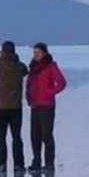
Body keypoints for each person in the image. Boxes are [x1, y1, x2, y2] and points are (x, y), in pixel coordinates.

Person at [0, 41, 28, 173]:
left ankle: (1, 164)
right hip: (16, 107)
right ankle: (19, 165)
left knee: (1, 137)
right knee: (17, 137)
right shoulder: (20, 66)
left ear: (3, 51)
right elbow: (25, 71)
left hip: (1, 107)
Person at [25, 42, 67, 170]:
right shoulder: (33, 67)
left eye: (38, 52)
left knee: (46, 135)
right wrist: (29, 96)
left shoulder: (50, 66)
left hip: (47, 105)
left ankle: (49, 164)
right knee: (34, 135)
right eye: (34, 52)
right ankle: (36, 161)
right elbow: (29, 83)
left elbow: (61, 83)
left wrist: (49, 93)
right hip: (35, 105)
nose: (35, 55)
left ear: (44, 53)